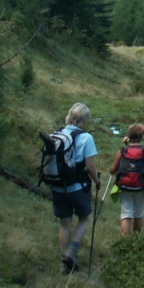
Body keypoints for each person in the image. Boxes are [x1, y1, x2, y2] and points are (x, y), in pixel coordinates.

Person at [50, 102, 100, 274]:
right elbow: (89, 166)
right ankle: (72, 250)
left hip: (57, 186)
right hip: (77, 187)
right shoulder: (86, 138)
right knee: (84, 218)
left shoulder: (56, 134)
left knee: (65, 223)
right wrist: (97, 181)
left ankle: (64, 263)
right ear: (84, 119)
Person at [108, 124, 144, 236]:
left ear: (129, 136)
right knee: (138, 214)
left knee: (126, 214)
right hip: (140, 186)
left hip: (124, 186)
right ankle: (136, 241)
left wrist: (111, 170)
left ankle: (125, 242)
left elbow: (113, 170)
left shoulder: (122, 151)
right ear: (141, 137)